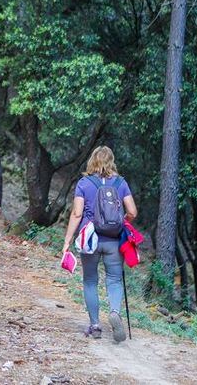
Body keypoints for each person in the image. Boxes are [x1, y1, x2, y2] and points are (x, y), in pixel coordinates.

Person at [62, 146, 138, 343]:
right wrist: (121, 220)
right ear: (112, 161)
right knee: (114, 279)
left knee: (90, 281)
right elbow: (133, 211)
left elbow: (77, 214)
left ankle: (95, 325)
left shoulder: (84, 183)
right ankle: (114, 312)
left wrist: (67, 240)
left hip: (90, 239)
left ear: (92, 160)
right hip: (114, 240)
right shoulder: (121, 183)